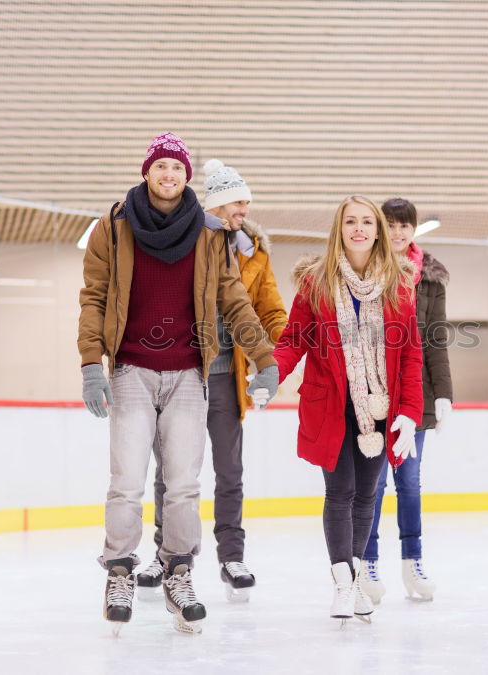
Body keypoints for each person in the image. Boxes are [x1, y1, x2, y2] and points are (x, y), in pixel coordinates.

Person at [77, 132, 279, 635]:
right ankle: (119, 572)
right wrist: (89, 365)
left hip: (190, 372)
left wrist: (263, 357)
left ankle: (179, 572)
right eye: (161, 166)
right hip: (130, 370)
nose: (169, 175)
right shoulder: (114, 225)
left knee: (184, 486)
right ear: (147, 171)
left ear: (188, 177)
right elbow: (93, 297)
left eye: (178, 168)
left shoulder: (210, 232)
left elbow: (234, 299)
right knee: (126, 483)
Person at [135, 158, 288, 602]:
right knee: (170, 471)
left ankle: (232, 556)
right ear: (219, 202)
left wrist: (276, 356)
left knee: (229, 469)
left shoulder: (254, 252)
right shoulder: (187, 238)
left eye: (245, 201)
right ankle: (165, 555)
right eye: (239, 200)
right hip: (183, 371)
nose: (245, 208)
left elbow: (270, 310)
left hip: (226, 377)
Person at [273, 195, 423, 625]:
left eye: (366, 222)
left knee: (366, 498)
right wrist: (270, 375)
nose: (359, 229)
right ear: (339, 230)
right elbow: (293, 340)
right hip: (331, 406)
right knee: (340, 494)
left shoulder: (399, 285)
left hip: (380, 408)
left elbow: (411, 354)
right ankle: (342, 585)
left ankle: (355, 579)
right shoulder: (317, 282)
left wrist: (410, 412)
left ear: (377, 231)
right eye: (350, 222)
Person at [358, 198, 453, 604]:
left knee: (409, 483)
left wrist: (445, 393)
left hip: (419, 395)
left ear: (414, 230)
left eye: (405, 226)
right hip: (375, 394)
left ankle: (412, 563)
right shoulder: (365, 271)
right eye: (391, 225)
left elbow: (435, 340)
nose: (398, 233)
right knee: (374, 483)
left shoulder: (429, 280)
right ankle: (368, 561)